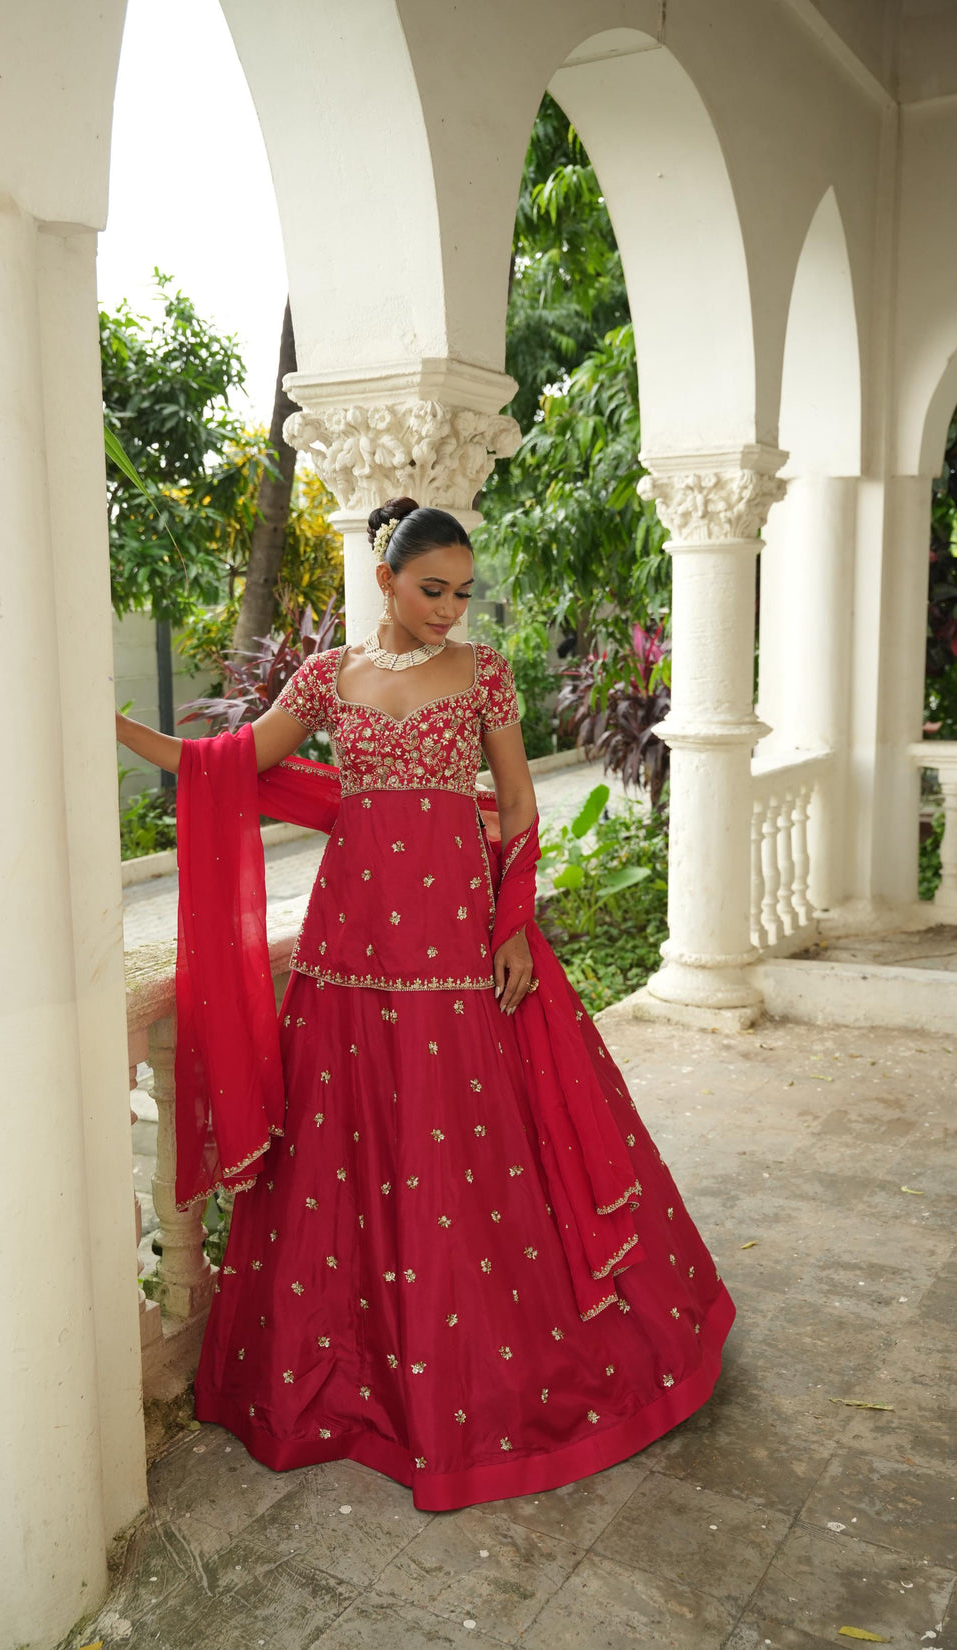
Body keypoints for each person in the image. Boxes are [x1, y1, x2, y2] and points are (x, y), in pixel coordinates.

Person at [116, 496, 736, 1513]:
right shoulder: (329, 676)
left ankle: (478, 1379)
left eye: (461, 592)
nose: (449, 609)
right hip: (351, 945)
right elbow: (223, 764)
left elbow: (518, 803)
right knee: (346, 1145)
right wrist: (112, 726)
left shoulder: (482, 673)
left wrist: (510, 925)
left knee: (470, 1144)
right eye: (431, 590)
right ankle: (355, 1378)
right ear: (386, 580)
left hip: (456, 937)